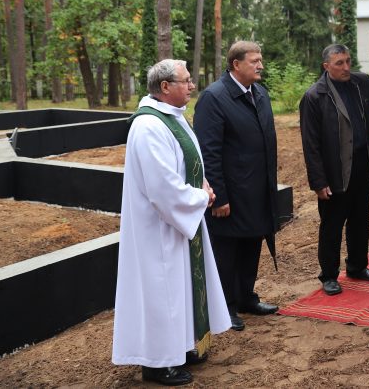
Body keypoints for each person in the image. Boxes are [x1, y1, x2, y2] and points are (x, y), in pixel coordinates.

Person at [112, 60, 230, 386]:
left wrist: (202, 185)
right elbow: (161, 186)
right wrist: (199, 199)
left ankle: (180, 346)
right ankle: (158, 363)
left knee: (179, 291)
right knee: (162, 291)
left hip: (178, 223)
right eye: (186, 80)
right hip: (159, 228)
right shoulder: (148, 126)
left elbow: (188, 163)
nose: (192, 86)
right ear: (165, 87)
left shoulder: (171, 118)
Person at [300, 43, 369, 295]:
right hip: (334, 170)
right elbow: (310, 144)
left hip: (362, 164)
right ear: (326, 66)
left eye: (348, 61)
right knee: (332, 224)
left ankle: (357, 266)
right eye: (340, 63)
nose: (346, 67)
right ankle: (329, 275)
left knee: (360, 219)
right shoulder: (315, 96)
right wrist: (318, 181)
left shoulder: (361, 82)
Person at [193, 41, 279, 332]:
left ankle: (246, 297)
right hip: (229, 194)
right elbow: (209, 151)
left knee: (252, 244)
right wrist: (219, 197)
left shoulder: (260, 94)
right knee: (227, 252)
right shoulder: (214, 98)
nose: (260, 65)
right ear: (235, 64)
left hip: (257, 190)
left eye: (260, 60)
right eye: (254, 61)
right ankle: (225, 306)